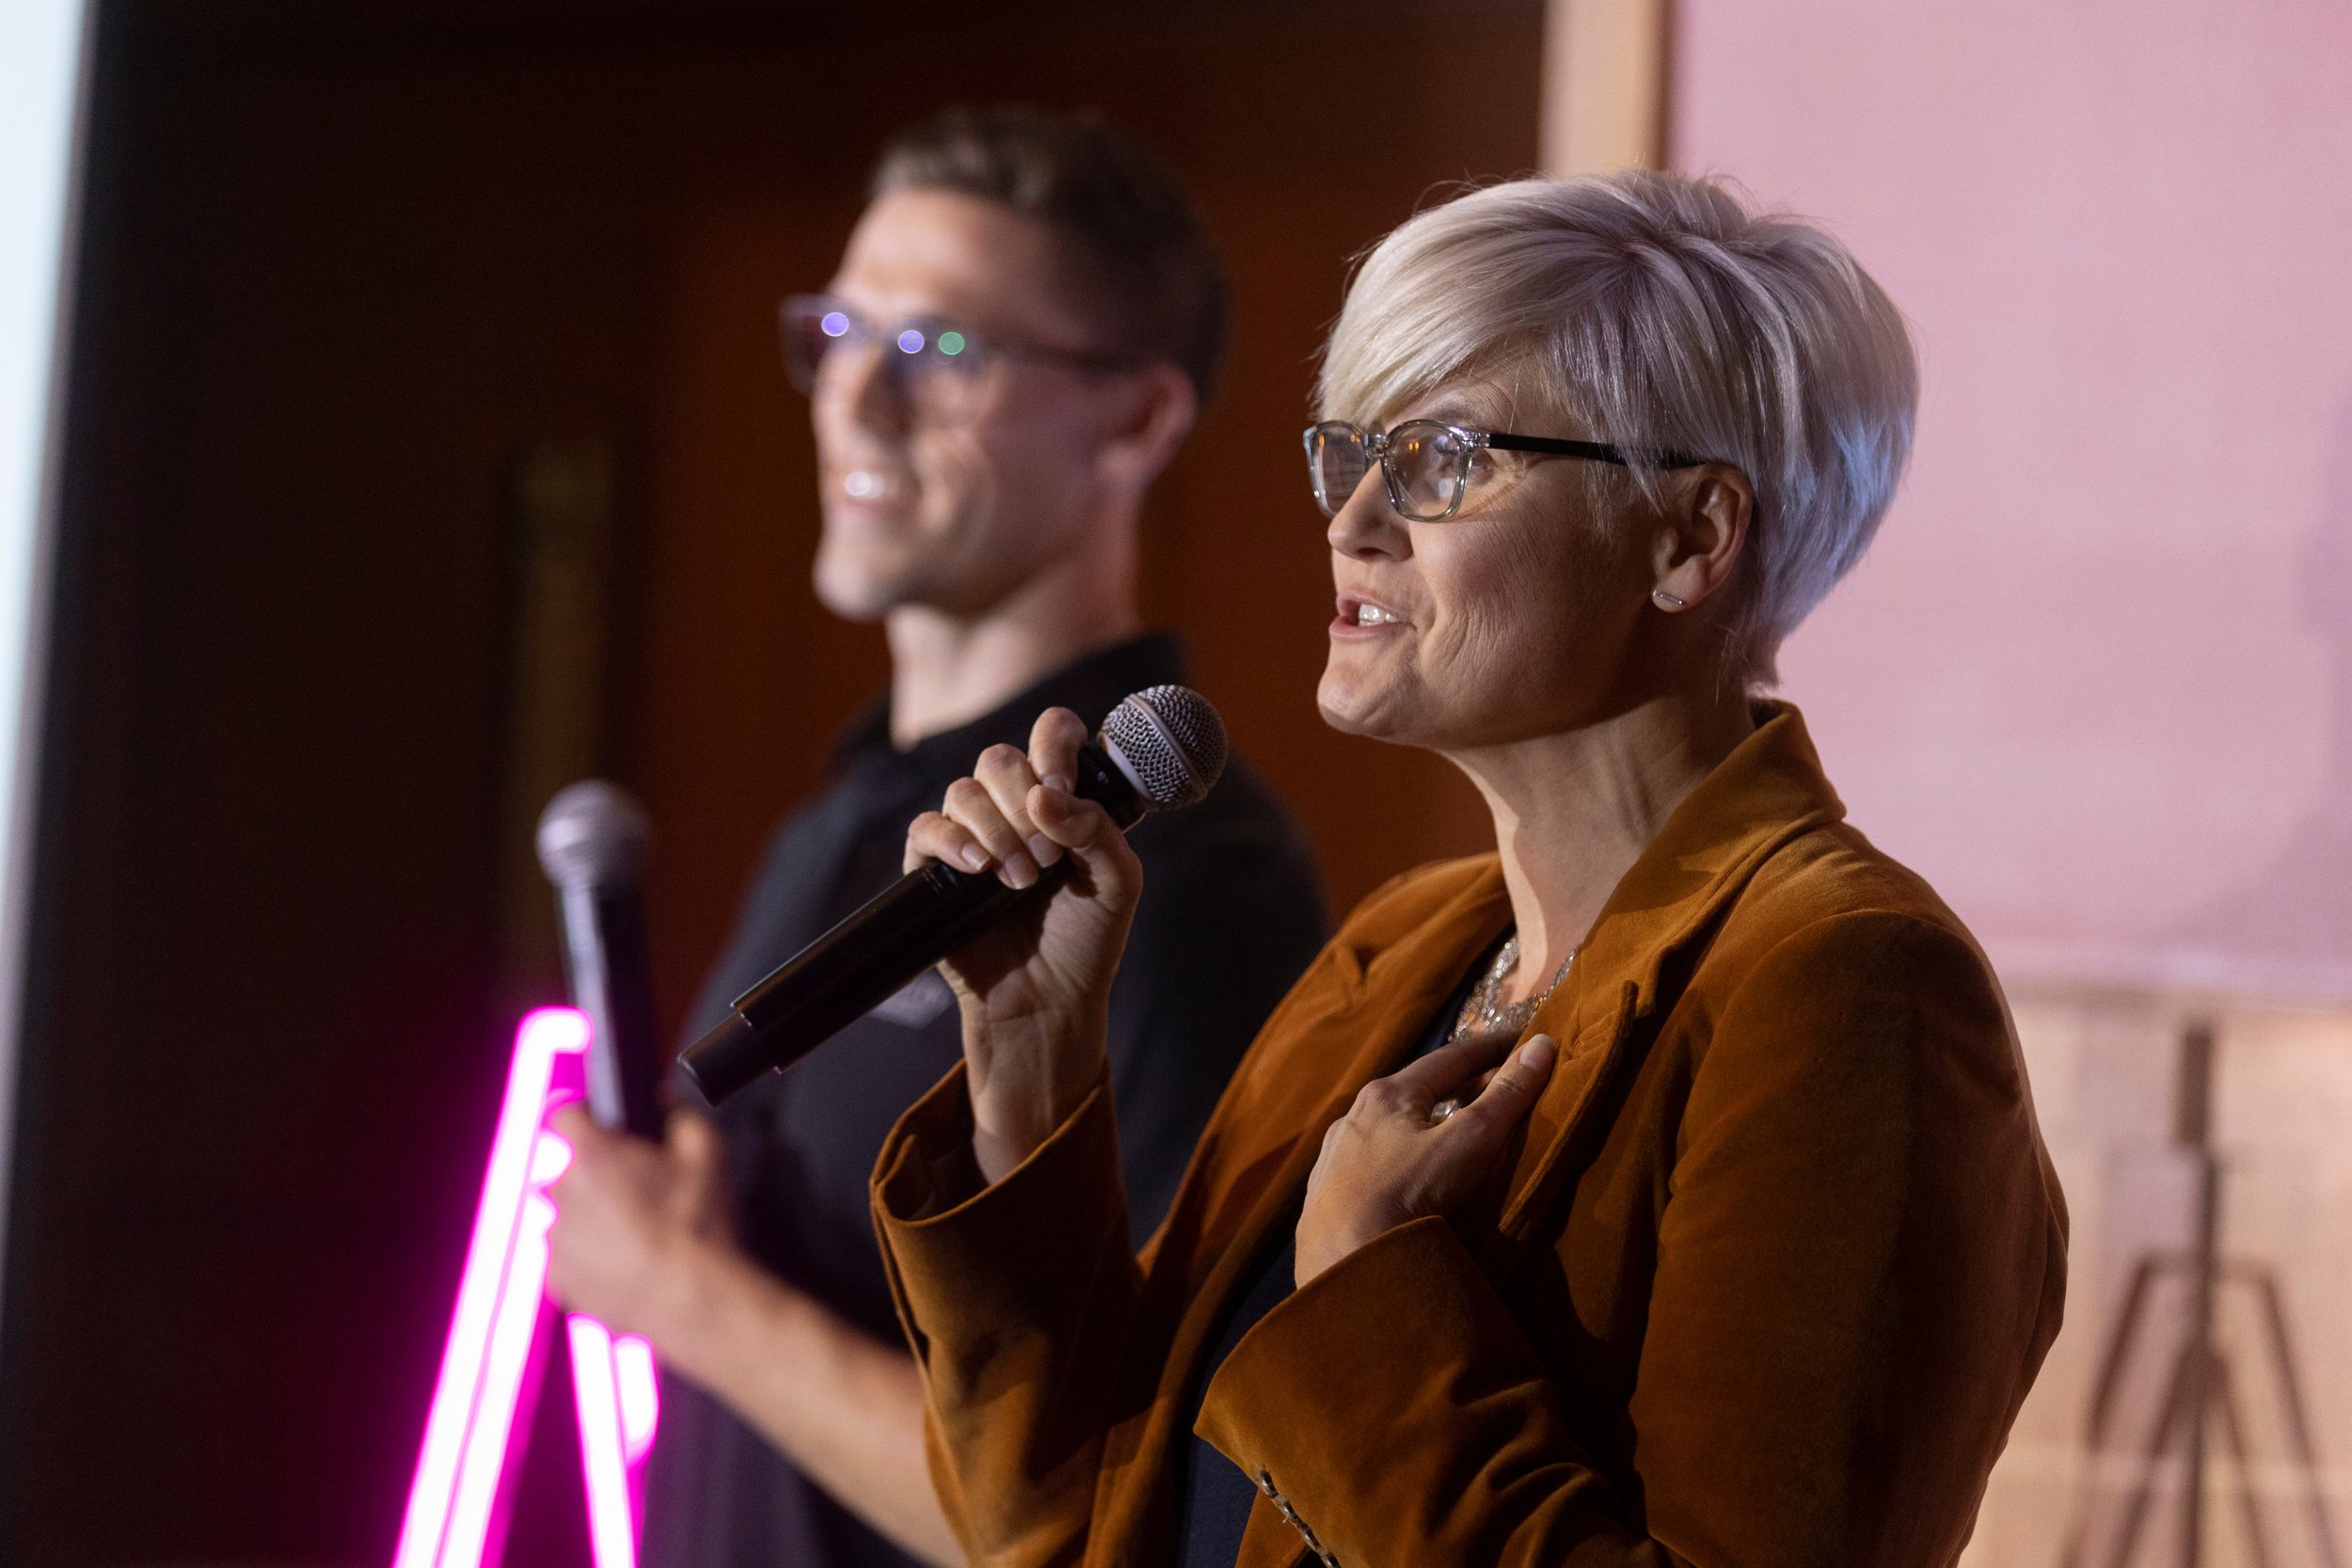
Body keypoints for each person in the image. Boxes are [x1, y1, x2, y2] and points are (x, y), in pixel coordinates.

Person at [871, 170, 2069, 1567]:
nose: (1355, 519)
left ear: (1690, 539)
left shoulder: (1845, 985)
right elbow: (1063, 1526)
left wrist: (1375, 1297)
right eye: (1349, 453)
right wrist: (1031, 1064)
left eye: (1445, 458)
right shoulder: (1402, 947)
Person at [543, 106, 1327, 1568]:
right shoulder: (840, 817)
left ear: (1136, 418)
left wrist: (691, 1300)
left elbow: (1153, 1506)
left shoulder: (1183, 880)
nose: (855, 399)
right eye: (840, 333)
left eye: (941, 352)